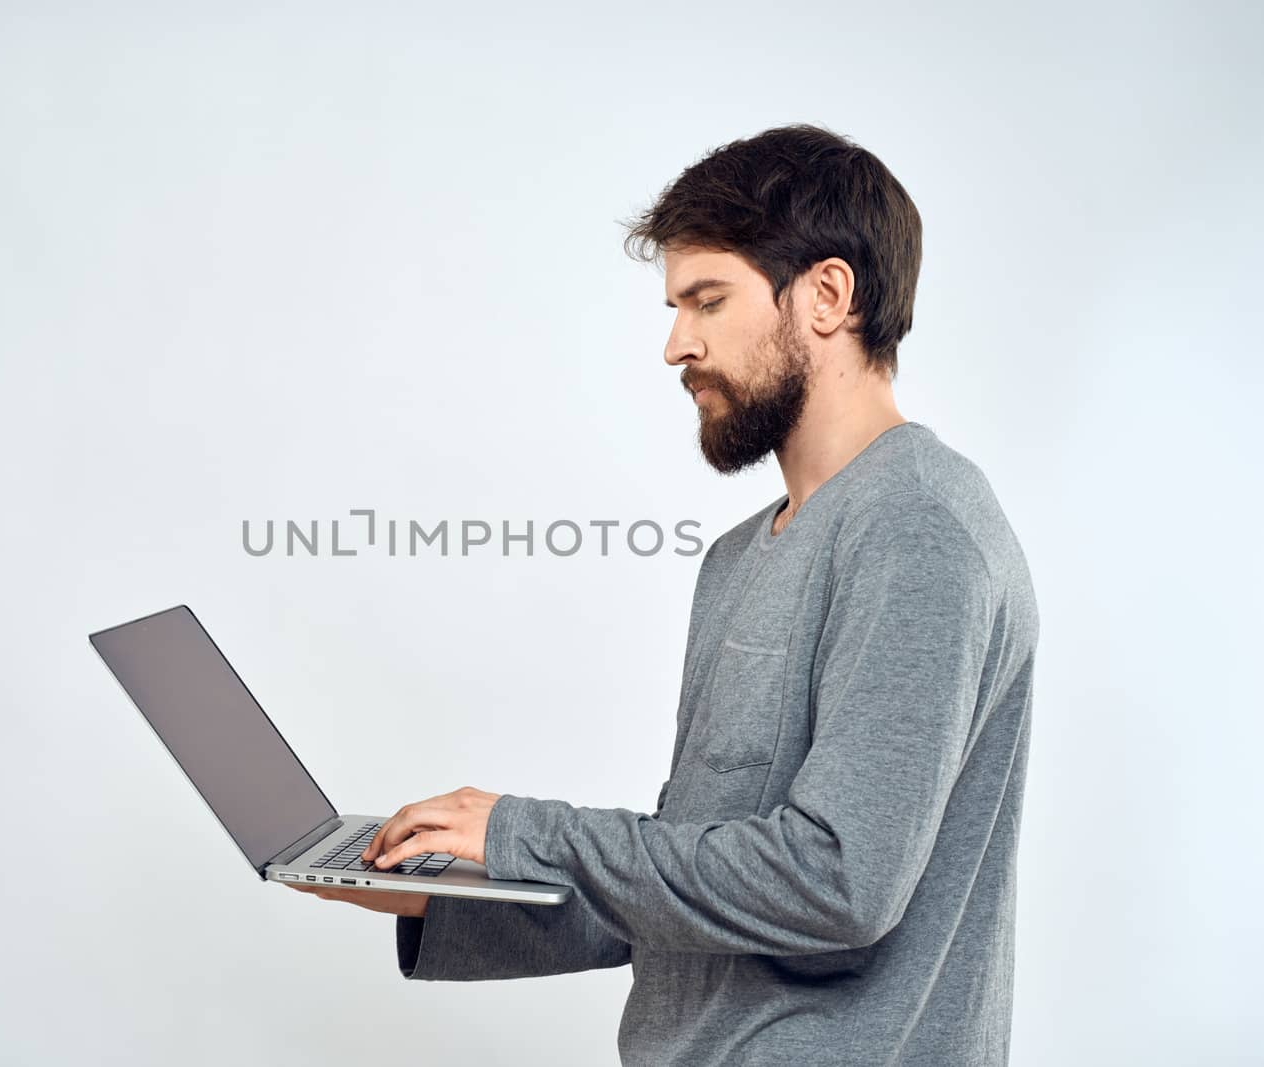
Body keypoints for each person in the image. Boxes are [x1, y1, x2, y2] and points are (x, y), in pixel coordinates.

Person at [290, 123, 1039, 1066]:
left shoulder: (918, 527)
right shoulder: (739, 556)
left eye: (707, 300)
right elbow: (694, 892)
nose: (675, 344)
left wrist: (527, 831)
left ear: (828, 295)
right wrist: (449, 890)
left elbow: (839, 882)